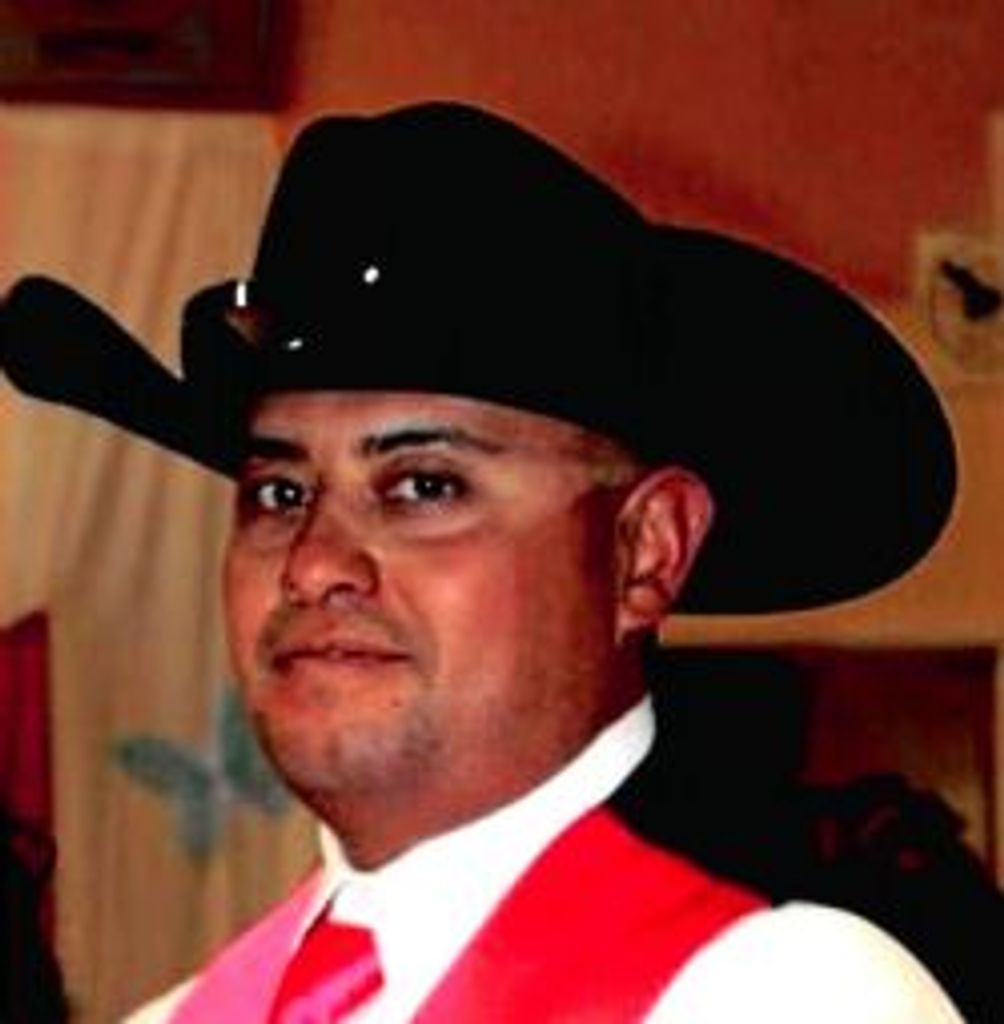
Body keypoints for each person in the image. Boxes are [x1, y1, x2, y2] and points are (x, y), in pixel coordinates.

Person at [1, 102, 964, 1021]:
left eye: (424, 486)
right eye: (279, 495)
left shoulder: (781, 997)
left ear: (644, 550)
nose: (312, 565)